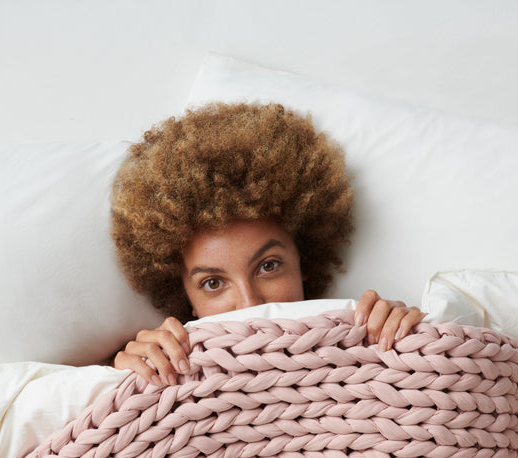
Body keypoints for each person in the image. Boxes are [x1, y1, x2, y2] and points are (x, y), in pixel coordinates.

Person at [111, 101, 423, 386]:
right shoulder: (165, 365)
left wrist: (406, 333)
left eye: (268, 266)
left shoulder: (364, 335)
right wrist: (123, 377)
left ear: (303, 258)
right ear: (186, 297)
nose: (250, 304)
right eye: (213, 283)